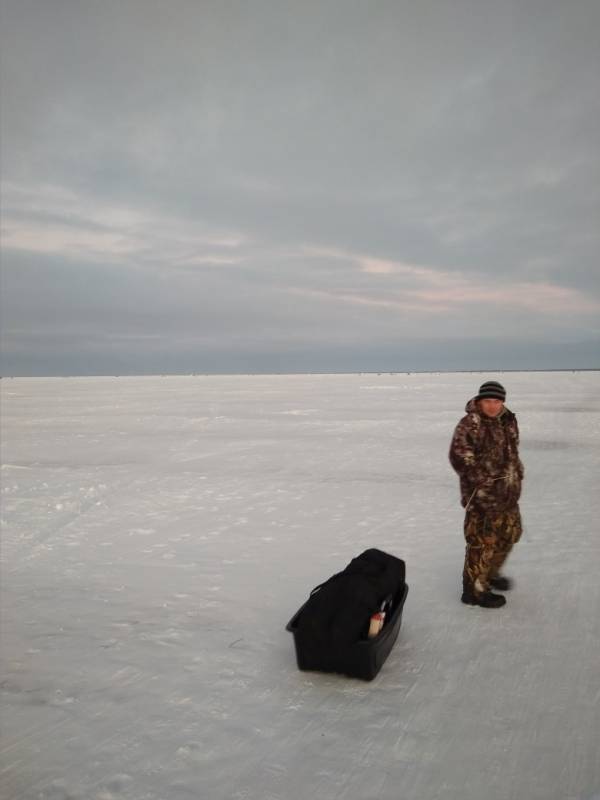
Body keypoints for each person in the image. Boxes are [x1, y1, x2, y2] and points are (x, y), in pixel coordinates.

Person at [449, 380, 524, 608]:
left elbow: (512, 450)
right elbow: (459, 456)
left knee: (510, 535)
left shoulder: (508, 420)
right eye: (488, 401)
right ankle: (474, 591)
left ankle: (489, 574)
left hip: (508, 495)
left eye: (497, 401)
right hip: (482, 498)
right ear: (480, 401)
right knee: (481, 544)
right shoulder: (470, 423)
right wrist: (481, 478)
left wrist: (517, 472)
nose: (493, 406)